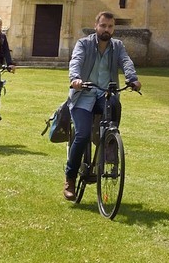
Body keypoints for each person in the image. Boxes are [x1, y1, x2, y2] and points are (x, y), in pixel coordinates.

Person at [63, 11, 141, 201]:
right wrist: (75, 79)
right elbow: (76, 61)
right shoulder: (84, 44)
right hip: (83, 95)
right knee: (82, 135)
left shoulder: (117, 46)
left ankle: (110, 150)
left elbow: (126, 62)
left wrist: (132, 78)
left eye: (110, 26)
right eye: (103, 26)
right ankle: (70, 179)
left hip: (105, 94)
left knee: (113, 110)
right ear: (96, 26)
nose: (107, 30)